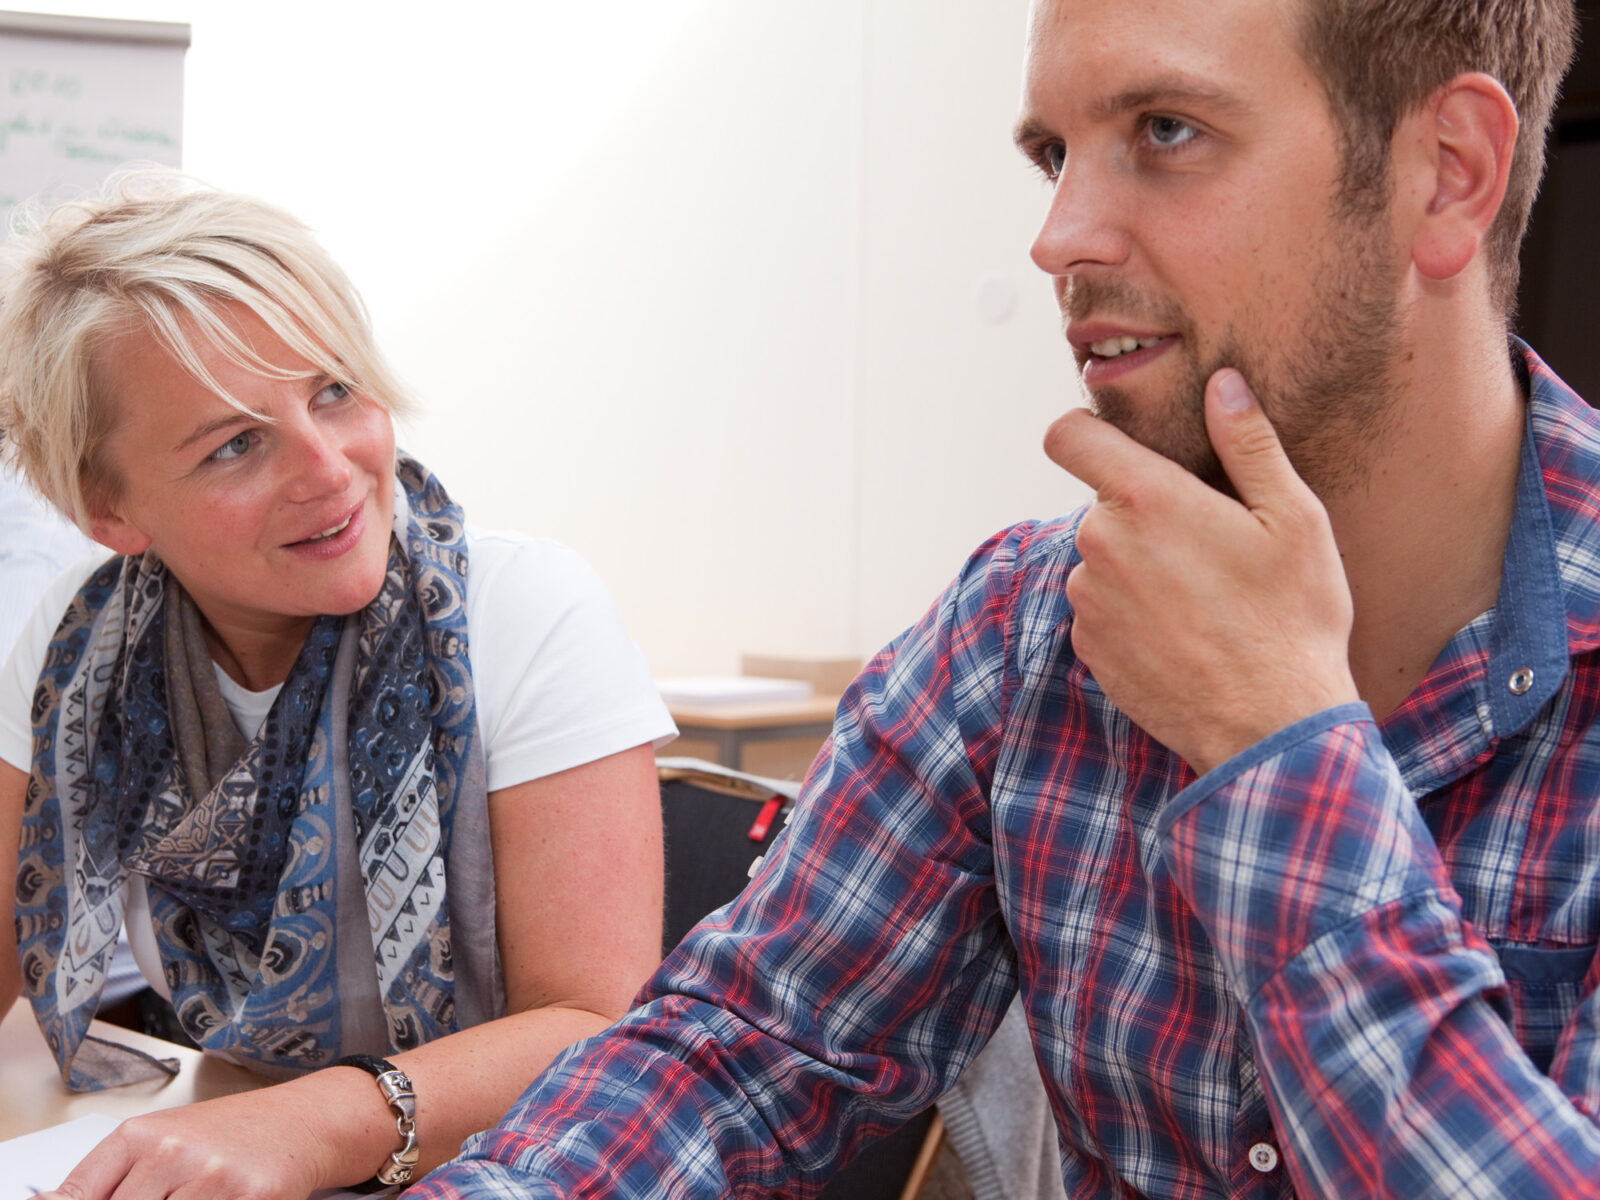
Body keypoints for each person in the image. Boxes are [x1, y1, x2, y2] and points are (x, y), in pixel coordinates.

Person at [407, 0, 1600, 1196]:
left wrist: (1279, 743)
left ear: (1446, 174)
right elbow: (737, 1054)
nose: (1058, 236)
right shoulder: (1025, 629)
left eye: (1166, 130)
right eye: (1052, 156)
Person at [0, 171, 676, 1198]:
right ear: (111, 511)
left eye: (333, 392)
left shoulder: (524, 608)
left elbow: (597, 1031)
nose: (329, 468)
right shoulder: (76, 647)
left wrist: (315, 1123)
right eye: (235, 445)